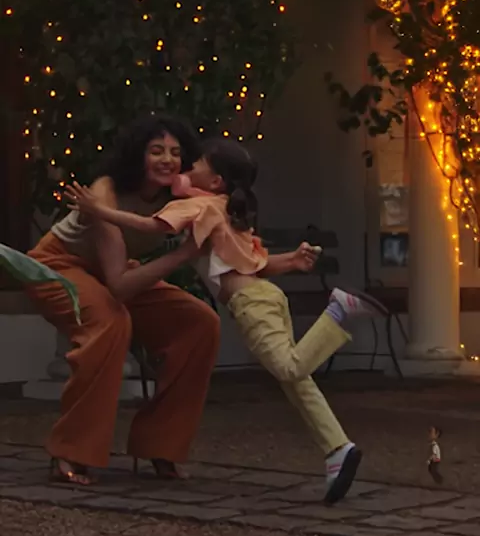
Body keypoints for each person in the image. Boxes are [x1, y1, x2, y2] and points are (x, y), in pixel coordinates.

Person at [67, 137, 384, 505]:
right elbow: (254, 265)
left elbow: (150, 226)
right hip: (267, 296)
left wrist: (100, 210)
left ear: (215, 180)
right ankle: (337, 448)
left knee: (290, 368)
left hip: (252, 304)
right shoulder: (226, 210)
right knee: (297, 383)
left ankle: (338, 312)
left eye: (198, 162)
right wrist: (292, 261)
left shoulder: (200, 206)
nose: (189, 165)